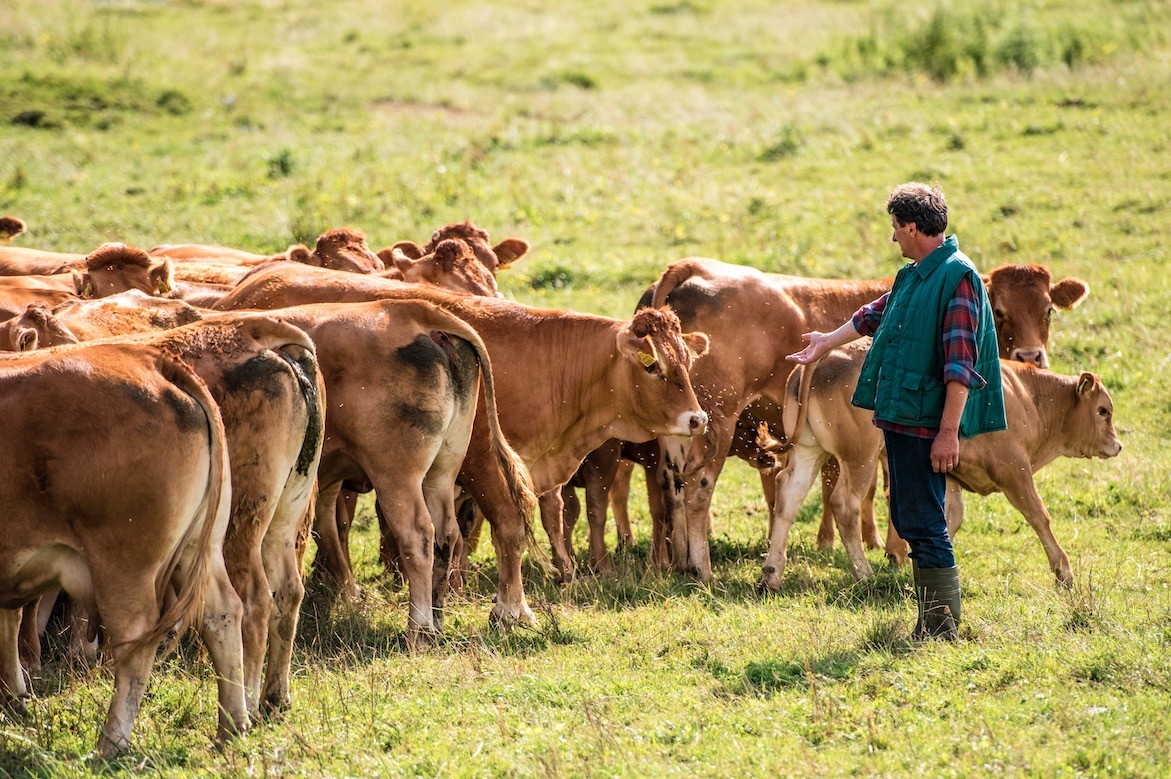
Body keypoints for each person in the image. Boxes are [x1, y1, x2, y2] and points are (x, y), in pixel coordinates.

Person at [786, 183, 1005, 640]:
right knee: (907, 516)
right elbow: (872, 314)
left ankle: (942, 627)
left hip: (927, 420)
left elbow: (960, 368)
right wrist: (826, 341)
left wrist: (948, 433)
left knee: (924, 522)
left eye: (895, 229)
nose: (893, 239)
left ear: (912, 227)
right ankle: (932, 621)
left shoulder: (957, 278)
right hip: (900, 413)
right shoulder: (915, 275)